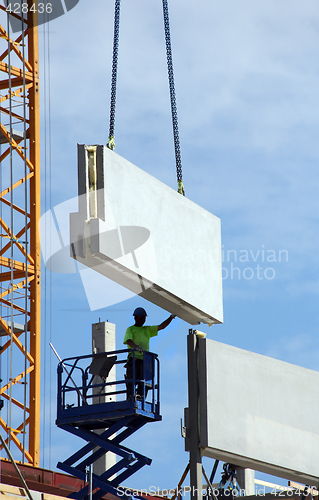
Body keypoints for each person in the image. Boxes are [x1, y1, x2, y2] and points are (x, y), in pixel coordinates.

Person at [123, 307, 175, 399]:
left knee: (145, 383)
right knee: (131, 382)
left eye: (144, 318)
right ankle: (131, 399)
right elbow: (129, 340)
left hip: (144, 361)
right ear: (135, 318)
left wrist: (171, 317)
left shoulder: (147, 329)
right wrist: (135, 346)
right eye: (141, 318)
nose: (143, 320)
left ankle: (140, 399)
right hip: (134, 360)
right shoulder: (130, 329)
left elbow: (162, 326)